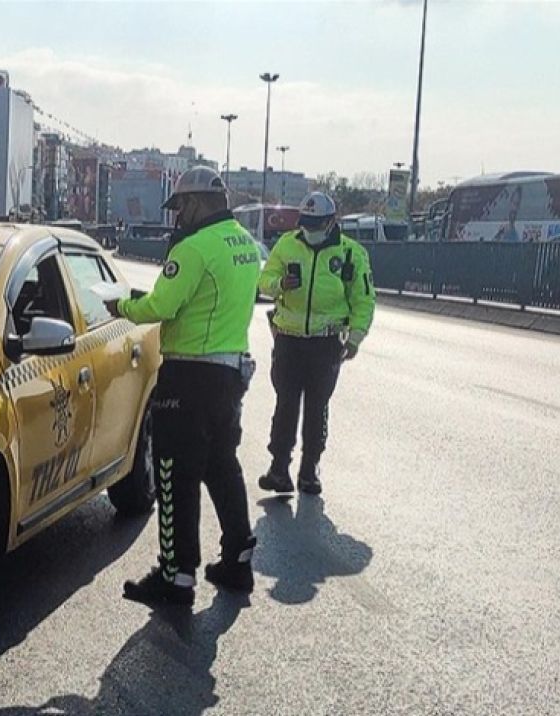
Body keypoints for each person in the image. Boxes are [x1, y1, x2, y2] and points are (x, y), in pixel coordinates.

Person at [105, 166, 261, 606]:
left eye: (181, 208)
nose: (178, 218)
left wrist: (120, 305)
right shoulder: (245, 245)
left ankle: (176, 576)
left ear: (196, 203)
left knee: (175, 473)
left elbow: (161, 305)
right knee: (222, 465)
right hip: (230, 370)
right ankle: (237, 555)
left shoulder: (194, 248)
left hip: (189, 376)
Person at [257, 192, 376, 496]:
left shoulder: (351, 254)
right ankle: (279, 468)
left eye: (315, 224)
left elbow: (363, 299)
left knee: (316, 406)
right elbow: (264, 280)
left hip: (325, 343)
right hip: (289, 338)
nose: (309, 229)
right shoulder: (287, 244)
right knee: (285, 404)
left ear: (330, 221)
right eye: (305, 223)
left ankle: (309, 469)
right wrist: (279, 285)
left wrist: (356, 337)